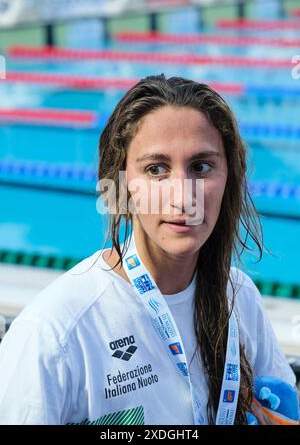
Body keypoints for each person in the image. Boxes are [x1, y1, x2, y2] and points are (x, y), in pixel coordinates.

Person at [0, 74, 296, 425]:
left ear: (229, 177)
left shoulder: (241, 299)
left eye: (201, 167)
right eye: (156, 169)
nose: (183, 198)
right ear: (122, 184)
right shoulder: (57, 332)